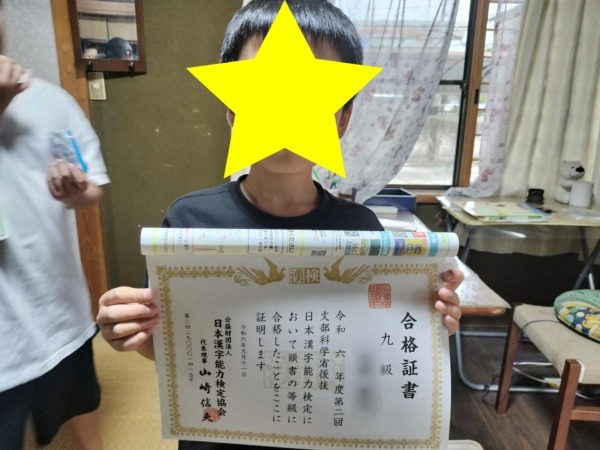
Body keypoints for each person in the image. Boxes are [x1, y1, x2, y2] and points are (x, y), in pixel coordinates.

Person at [96, 1, 463, 449]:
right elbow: (175, 349)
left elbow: (374, 354)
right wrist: (131, 331)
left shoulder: (362, 231)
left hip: (324, 431)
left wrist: (428, 323)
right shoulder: (190, 223)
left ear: (342, 118)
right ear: (232, 108)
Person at [0, 28, 109, 450]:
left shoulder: (51, 101)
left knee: (81, 402)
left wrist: (74, 190)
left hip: (59, 312)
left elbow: (91, 188)